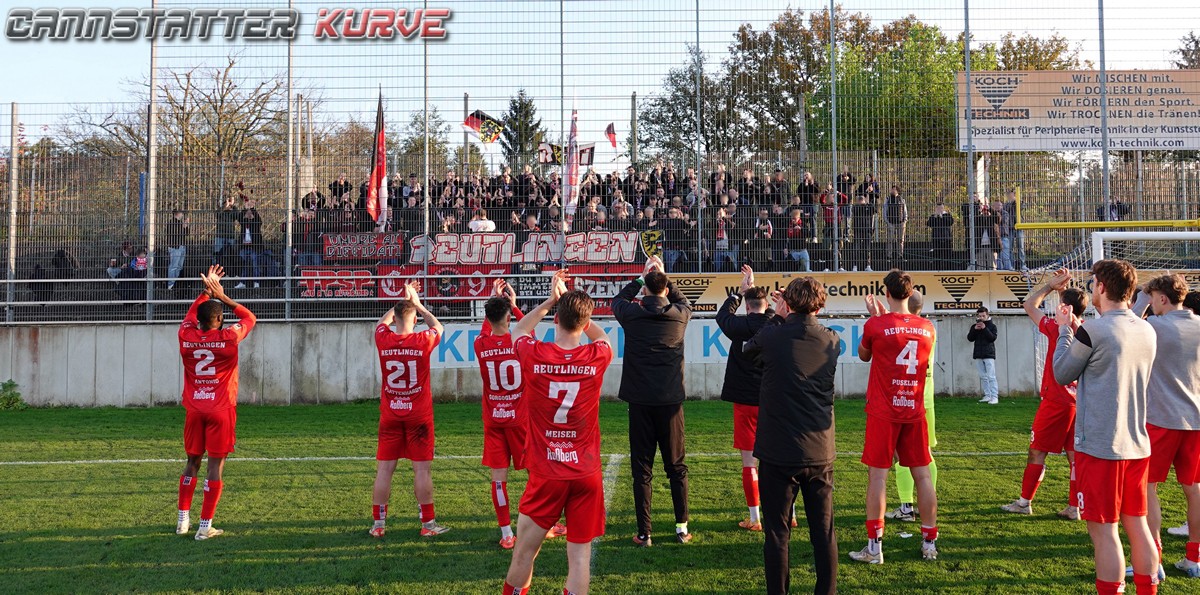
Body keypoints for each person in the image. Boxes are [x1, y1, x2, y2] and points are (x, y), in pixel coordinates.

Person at [502, 270, 614, 595]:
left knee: (524, 552)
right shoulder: (597, 355)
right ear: (584, 322)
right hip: (585, 473)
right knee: (579, 559)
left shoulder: (535, 353)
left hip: (548, 471)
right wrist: (579, 313)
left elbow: (519, 329)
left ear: (555, 320)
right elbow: (603, 338)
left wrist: (552, 300)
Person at [1052, 259, 1159, 595]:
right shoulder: (1146, 328)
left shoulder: (1094, 330)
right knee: (1137, 525)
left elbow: (1062, 373)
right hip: (1137, 443)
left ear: (1101, 286)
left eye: (1093, 283)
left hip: (1101, 445)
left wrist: (1064, 330)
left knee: (1104, 531)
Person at [743, 276, 840, 595]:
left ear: (787, 303)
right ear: (819, 306)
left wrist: (778, 314)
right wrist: (790, 310)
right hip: (819, 450)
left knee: (777, 534)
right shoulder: (832, 339)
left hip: (779, 451)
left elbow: (749, 350)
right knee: (823, 533)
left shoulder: (774, 334)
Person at [851, 269, 939, 564]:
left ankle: (874, 547)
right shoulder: (928, 327)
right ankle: (929, 542)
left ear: (886, 293)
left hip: (884, 411)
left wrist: (877, 318)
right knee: (922, 476)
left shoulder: (876, 325)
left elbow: (864, 354)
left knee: (878, 476)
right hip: (914, 409)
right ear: (910, 293)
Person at [473, 280, 566, 549]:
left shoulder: (480, 344)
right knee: (535, 474)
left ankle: (506, 534)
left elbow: (487, 327)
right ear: (508, 318)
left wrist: (496, 302)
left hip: (494, 420)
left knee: (498, 480)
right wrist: (514, 306)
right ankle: (544, 525)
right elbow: (529, 329)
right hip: (520, 419)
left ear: (488, 317)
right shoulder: (519, 342)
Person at [612, 255, 693, 546]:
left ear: (644, 290)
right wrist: (662, 275)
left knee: (642, 469)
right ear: (666, 289)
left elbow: (618, 300)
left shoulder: (632, 314)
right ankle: (681, 528)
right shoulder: (679, 315)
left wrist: (641, 277)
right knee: (676, 467)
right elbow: (684, 301)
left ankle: (645, 533)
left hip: (640, 403)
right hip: (670, 403)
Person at [175, 264, 257, 540]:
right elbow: (249, 317)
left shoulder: (186, 336)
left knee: (192, 462)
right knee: (214, 466)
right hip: (220, 409)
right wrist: (221, 296)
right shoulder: (228, 338)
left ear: (198, 320)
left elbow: (189, 315)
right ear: (220, 320)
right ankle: (204, 526)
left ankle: (182, 521)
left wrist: (205, 292)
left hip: (195, 409)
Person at [1001, 268, 1085, 519]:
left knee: (1037, 451)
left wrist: (1050, 286)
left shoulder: (1055, 328)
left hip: (1056, 400)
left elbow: (1029, 305)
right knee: (1075, 457)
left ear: (1064, 308)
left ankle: (1024, 502)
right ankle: (1075, 507)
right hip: (1078, 401)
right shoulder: (1087, 330)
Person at [1131, 274, 1200, 578]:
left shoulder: (1154, 326)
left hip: (1161, 419)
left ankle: (1153, 560)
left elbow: (1125, 325)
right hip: (1196, 420)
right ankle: (1194, 558)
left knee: (1147, 487)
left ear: (1161, 298)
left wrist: (1140, 300)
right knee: (1194, 489)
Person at [370, 281, 448, 538]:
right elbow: (438, 327)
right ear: (415, 320)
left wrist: (400, 302)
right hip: (419, 417)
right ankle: (428, 525)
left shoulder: (383, 338)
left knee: (384, 471)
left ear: (395, 320)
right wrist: (418, 304)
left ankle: (378, 525)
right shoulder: (422, 340)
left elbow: (380, 324)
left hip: (390, 414)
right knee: (422, 470)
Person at [716, 266, 775, 531]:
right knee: (780, 460)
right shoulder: (775, 324)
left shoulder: (738, 326)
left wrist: (739, 293)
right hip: (772, 401)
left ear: (747, 307)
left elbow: (722, 315)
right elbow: (773, 313)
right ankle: (790, 513)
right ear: (766, 305)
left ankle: (755, 518)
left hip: (745, 402)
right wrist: (754, 291)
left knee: (749, 462)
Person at [886, 291, 940, 525]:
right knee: (925, 454)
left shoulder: (900, 329)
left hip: (905, 399)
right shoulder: (928, 328)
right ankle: (926, 502)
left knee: (901, 454)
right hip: (925, 399)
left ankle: (906, 506)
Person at [968, 306, 999, 405]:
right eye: (979, 316)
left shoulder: (992, 326)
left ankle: (994, 397)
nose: (981, 318)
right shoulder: (974, 326)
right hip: (978, 354)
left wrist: (985, 328)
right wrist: (975, 330)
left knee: (991, 376)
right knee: (983, 377)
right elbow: (970, 338)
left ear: (987, 315)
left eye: (983, 316)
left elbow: (992, 338)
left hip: (989, 354)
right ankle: (987, 395)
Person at [235, 201, 264, 289]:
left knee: (255, 265)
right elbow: (239, 218)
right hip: (244, 247)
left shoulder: (256, 223)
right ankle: (242, 282)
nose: (248, 214)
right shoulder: (244, 222)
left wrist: (252, 208)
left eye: (250, 213)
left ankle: (256, 282)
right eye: (247, 213)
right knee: (243, 265)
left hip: (253, 247)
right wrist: (245, 208)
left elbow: (259, 220)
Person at [882, 186, 907, 265]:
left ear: (897, 191)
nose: (892, 190)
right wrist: (887, 221)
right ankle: (889, 256)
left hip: (900, 222)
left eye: (894, 189)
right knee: (890, 239)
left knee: (900, 240)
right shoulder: (888, 199)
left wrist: (905, 221)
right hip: (891, 222)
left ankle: (900, 256)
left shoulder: (901, 199)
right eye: (892, 189)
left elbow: (905, 210)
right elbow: (885, 210)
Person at [165, 208, 190, 290]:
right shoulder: (171, 223)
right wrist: (183, 226)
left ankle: (175, 283)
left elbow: (186, 234)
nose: (182, 214)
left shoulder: (180, 223)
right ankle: (170, 284)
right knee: (174, 266)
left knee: (179, 266)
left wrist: (186, 225)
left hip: (182, 246)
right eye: (181, 213)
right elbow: (175, 233)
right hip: (175, 247)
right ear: (177, 214)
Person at [926, 203, 954, 267]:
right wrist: (935, 216)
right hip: (936, 239)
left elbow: (950, 223)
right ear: (936, 208)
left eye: (941, 208)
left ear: (943, 208)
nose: (940, 209)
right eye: (938, 208)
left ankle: (948, 268)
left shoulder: (947, 215)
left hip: (946, 239)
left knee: (947, 255)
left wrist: (942, 217)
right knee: (936, 255)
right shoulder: (933, 216)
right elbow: (929, 224)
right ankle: (937, 268)